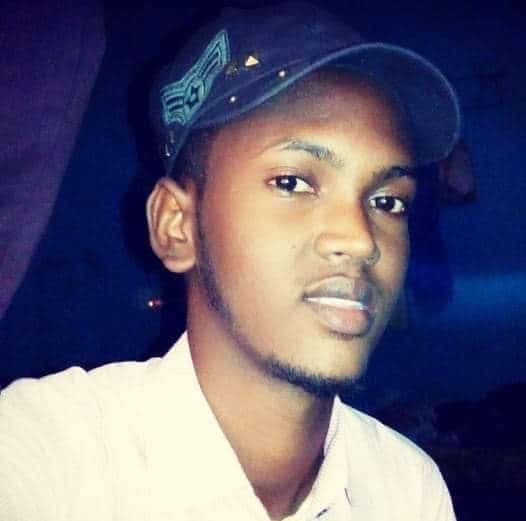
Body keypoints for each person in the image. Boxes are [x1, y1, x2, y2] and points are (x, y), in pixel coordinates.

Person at [0, 3, 461, 520]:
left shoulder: (406, 489)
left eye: (387, 201)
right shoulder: (44, 457)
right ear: (176, 226)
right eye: (292, 182)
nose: (360, 240)